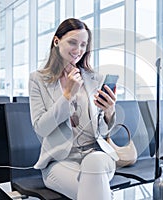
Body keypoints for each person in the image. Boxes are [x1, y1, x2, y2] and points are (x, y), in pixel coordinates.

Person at [29, 18, 118, 200]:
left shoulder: (94, 79)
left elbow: (101, 131)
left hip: (97, 156)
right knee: (95, 191)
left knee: (94, 163)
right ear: (56, 41)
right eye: (72, 42)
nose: (78, 50)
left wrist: (109, 112)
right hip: (60, 162)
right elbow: (41, 128)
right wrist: (67, 95)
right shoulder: (38, 80)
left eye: (83, 45)